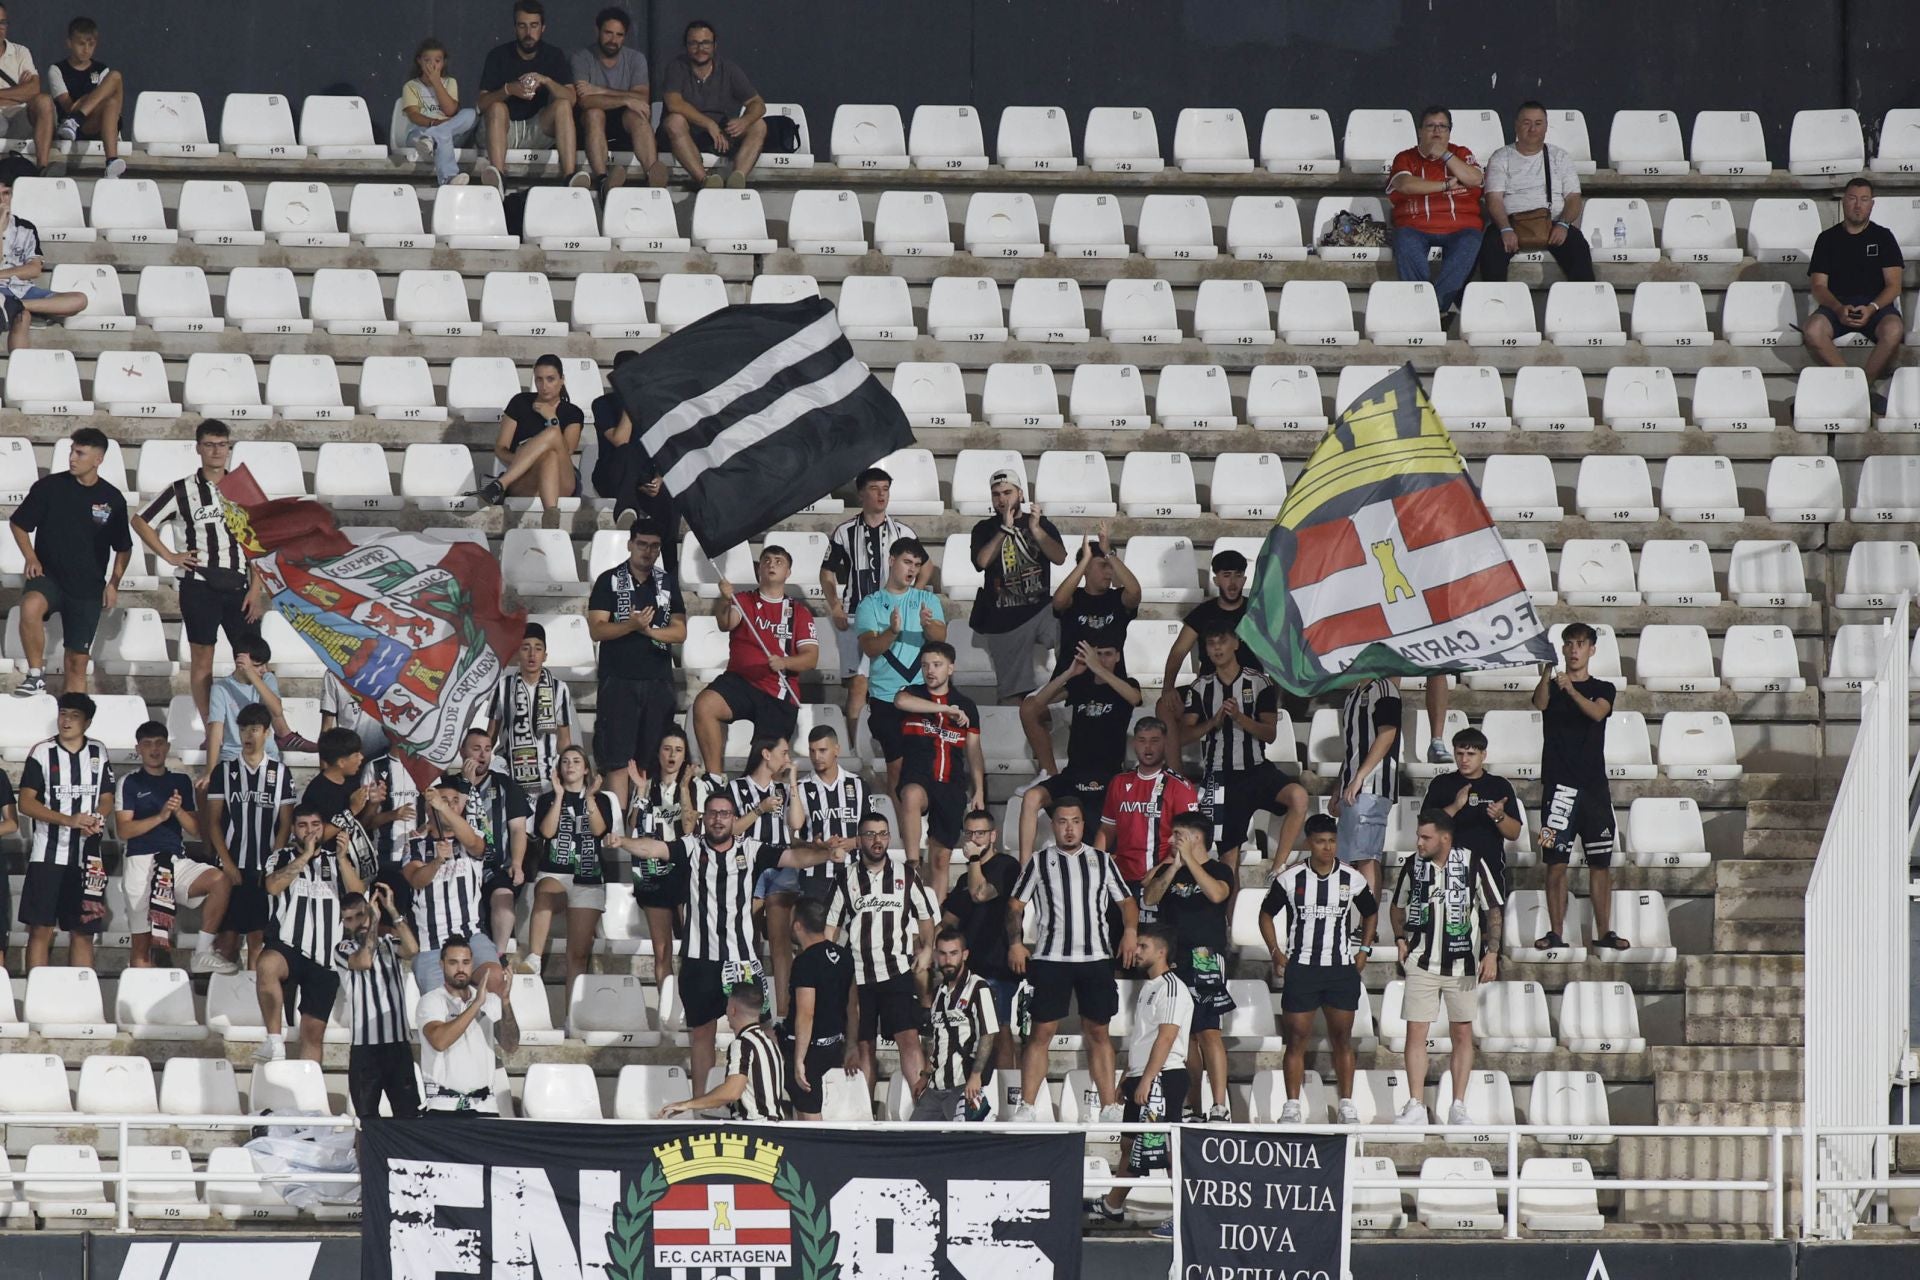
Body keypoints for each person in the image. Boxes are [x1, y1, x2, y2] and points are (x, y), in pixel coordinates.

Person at [626, 790, 842, 1097]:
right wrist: (621, 841)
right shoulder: (690, 846)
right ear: (704, 818)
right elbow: (652, 848)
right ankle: (701, 1103)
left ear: (733, 818)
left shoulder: (751, 849)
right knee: (702, 1035)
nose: (718, 819)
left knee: (762, 1031)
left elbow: (794, 857)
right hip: (699, 962)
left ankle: (770, 1096)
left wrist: (823, 853)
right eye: (712, 813)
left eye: (724, 814)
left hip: (741, 960)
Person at [1007, 797, 1135, 1122]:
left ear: (1083, 824)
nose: (1069, 828)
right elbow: (1015, 906)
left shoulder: (1102, 861)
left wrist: (1131, 931)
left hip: (1096, 958)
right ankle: (1027, 1107)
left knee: (1099, 1033)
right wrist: (1016, 943)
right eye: (1062, 821)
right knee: (1040, 1033)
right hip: (1051, 959)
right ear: (1054, 826)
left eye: (1075, 821)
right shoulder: (1039, 862)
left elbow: (1127, 902)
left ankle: (1108, 1107)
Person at [133, 419, 265, 730]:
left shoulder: (244, 488)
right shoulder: (182, 489)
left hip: (239, 586)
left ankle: (254, 725)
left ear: (229, 448)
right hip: (199, 586)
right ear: (198, 448)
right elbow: (140, 521)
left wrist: (256, 588)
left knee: (252, 659)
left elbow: (260, 542)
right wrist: (168, 555)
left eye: (221, 444)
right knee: (202, 657)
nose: (216, 450)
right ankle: (212, 728)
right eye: (209, 444)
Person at [1261, 813, 1378, 1125]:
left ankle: (1346, 1105)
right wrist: (1275, 951)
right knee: (1297, 1038)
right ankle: (1292, 1106)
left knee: (1343, 1038)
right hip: (1302, 968)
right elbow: (1265, 915)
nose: (1327, 847)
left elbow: (1370, 913)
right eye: (1321, 842)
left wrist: (1364, 949)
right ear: (1308, 843)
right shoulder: (1290, 879)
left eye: (1331, 841)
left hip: (1340, 969)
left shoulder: (1352, 878)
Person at [1392, 811, 1504, 1126]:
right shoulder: (1413, 865)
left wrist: (1492, 953)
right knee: (1415, 1032)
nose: (1419, 842)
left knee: (1462, 1033)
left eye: (1425, 837)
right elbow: (1396, 906)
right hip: (1420, 962)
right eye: (1418, 836)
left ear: (1445, 838)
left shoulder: (1472, 862)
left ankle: (1458, 1106)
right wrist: (1400, 937)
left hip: (1463, 965)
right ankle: (1415, 1105)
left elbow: (1492, 907)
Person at [1532, 622, 1630, 951]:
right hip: (1556, 790)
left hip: (1594, 790)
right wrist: (1547, 669)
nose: (1574, 650)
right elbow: (1539, 703)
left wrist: (1572, 691)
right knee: (1554, 862)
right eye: (1569, 644)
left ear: (1592, 649)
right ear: (1562, 649)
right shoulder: (1552, 685)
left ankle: (1604, 933)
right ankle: (1556, 932)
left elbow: (1597, 714)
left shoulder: (1604, 687)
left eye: (1580, 644)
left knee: (1601, 863)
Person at [9, 427, 129, 697]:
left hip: (87, 587)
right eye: (71, 451)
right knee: (30, 606)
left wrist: (114, 584)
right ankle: (36, 675)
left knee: (77, 663)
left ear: (97, 459)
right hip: (49, 576)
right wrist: (31, 556)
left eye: (80, 453)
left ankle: (73, 720)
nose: (72, 458)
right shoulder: (49, 487)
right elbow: (18, 523)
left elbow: (123, 547)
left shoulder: (112, 499)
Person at [1179, 627, 1308, 871]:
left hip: (1257, 770)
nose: (1217, 647)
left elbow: (1270, 734)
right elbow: (1184, 735)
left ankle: (1277, 869)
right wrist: (1212, 723)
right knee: (1229, 859)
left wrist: (1239, 717)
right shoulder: (1200, 687)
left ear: (1236, 644)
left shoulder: (1260, 683)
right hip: (1220, 775)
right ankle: (1230, 909)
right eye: (1211, 643)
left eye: (1222, 640)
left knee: (1298, 796)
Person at [828, 812, 939, 1092]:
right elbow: (830, 928)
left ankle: (922, 1110)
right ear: (860, 839)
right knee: (864, 1046)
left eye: (883, 834)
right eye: (870, 834)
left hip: (897, 971)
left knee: (909, 1039)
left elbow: (926, 917)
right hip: (859, 976)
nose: (877, 840)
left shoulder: (906, 874)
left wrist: (927, 949)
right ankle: (864, 1117)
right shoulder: (846, 878)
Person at [116, 720, 236, 973]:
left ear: (167, 746)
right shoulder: (129, 782)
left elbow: (194, 829)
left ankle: (202, 952)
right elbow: (124, 830)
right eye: (147, 744)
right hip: (140, 862)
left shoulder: (181, 781)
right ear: (138, 749)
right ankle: (139, 1007)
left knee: (219, 880)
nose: (154, 749)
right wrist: (160, 817)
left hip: (174, 861)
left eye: (159, 743)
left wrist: (177, 810)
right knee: (141, 944)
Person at [1092, 923, 1193, 1223]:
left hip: (1163, 1076)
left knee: (1165, 1146)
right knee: (1130, 1144)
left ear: (1162, 952)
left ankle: (1184, 1217)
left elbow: (1166, 1037)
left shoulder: (1172, 987)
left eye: (1143, 947)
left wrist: (1148, 1079)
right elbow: (1145, 1037)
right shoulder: (1149, 987)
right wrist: (1129, 1075)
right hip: (1144, 1075)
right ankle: (1113, 1204)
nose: (1135, 952)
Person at [692, 546, 818, 778]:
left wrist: (785, 662)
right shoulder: (742, 600)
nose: (771, 564)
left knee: (759, 772)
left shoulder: (798, 612)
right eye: (766, 560)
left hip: (779, 692)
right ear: (758, 568)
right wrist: (724, 599)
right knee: (704, 705)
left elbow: (811, 657)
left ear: (788, 572)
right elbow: (725, 623)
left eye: (779, 561)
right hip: (741, 682)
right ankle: (715, 780)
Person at [588, 517, 687, 812]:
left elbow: (680, 631)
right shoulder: (610, 580)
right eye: (642, 544)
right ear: (630, 544)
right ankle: (618, 826)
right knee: (618, 758)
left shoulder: (666, 582)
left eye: (654, 546)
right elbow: (597, 629)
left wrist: (649, 631)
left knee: (651, 757)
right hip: (618, 679)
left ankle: (644, 823)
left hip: (658, 680)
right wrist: (630, 625)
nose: (648, 551)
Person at [255, 806, 366, 1063]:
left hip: (327, 955)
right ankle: (274, 1041)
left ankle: (309, 1093)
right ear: (293, 829)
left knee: (313, 1033)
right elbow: (272, 886)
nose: (310, 830)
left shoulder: (338, 859)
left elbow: (358, 897)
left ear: (323, 827)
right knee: (267, 965)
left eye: (315, 824)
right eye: (303, 825)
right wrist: (305, 856)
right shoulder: (280, 857)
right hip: (288, 945)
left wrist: (341, 859)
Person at [822, 467, 917, 767]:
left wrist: (915, 597)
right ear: (861, 493)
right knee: (858, 685)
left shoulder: (904, 532)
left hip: (894, 618)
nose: (881, 494)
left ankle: (898, 750)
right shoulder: (844, 531)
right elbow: (827, 573)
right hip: (855, 615)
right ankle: (852, 750)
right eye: (875, 488)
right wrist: (835, 605)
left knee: (896, 682)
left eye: (886, 488)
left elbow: (923, 566)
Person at [1143, 812, 1233, 1122]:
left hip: (1205, 957)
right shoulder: (1170, 869)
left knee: (1209, 1031)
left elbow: (1217, 893)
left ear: (1196, 837)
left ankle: (1220, 1106)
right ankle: (1194, 1106)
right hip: (1172, 959)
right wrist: (1173, 867)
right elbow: (1150, 897)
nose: (1171, 839)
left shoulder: (1219, 869)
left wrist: (1190, 862)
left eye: (1178, 834)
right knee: (1184, 1036)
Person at [1017, 641, 1140, 864]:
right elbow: (1035, 705)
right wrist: (1070, 672)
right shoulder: (1080, 685)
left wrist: (1098, 668)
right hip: (1075, 773)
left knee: (1096, 843)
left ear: (1118, 656)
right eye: (1097, 654)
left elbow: (1134, 698)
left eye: (1107, 653)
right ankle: (1025, 868)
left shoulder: (1127, 684)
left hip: (1107, 777)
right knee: (1031, 797)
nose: (1101, 658)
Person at [1024, 528, 1140, 763]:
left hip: (1107, 679)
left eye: (1109, 566)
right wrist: (1084, 560)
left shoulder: (1118, 599)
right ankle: (1049, 772)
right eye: (1102, 566)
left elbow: (1135, 591)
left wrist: (1109, 554)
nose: (1108, 572)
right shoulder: (1073, 597)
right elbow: (1058, 602)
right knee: (1029, 708)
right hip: (1071, 680)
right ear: (1086, 568)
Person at [17, 692, 110, 971]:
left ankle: (83, 1000)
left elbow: (106, 796)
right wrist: (68, 820)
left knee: (83, 932)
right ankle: (37, 994)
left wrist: (97, 817)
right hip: (48, 855)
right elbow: (26, 802)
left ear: (88, 722)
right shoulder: (42, 752)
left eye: (74, 716)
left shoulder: (98, 751)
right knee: (41, 930)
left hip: (87, 859)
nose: (66, 720)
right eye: (63, 713)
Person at [614, 726, 711, 982]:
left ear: (685, 755)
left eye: (678, 750)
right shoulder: (646, 786)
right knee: (662, 950)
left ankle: (692, 1009)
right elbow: (633, 826)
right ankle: (666, 1013)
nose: (672, 755)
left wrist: (684, 788)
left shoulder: (696, 786)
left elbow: (691, 827)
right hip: (652, 872)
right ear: (658, 753)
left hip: (685, 871)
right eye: (667, 749)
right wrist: (641, 793)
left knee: (693, 947)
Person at [205, 703, 296, 970]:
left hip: (263, 870)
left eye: (254, 729)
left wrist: (273, 865)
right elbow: (213, 823)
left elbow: (286, 823)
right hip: (232, 864)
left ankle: (253, 999)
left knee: (259, 938)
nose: (248, 735)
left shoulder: (280, 773)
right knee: (227, 939)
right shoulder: (224, 772)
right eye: (243, 729)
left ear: (266, 732)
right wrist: (228, 863)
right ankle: (223, 997)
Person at [855, 537, 944, 801]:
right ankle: (903, 830)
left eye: (917, 564)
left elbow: (941, 638)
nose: (912, 570)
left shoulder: (926, 599)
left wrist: (927, 625)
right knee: (897, 768)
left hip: (922, 696)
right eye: (907, 562)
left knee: (927, 767)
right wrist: (893, 632)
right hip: (885, 699)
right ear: (892, 561)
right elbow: (871, 648)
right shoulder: (869, 603)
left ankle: (919, 821)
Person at [1806, 176, 1907, 409]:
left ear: (1872, 204)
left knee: (1894, 330)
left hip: (1876, 307)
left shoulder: (1883, 237)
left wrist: (1872, 308)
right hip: (1837, 305)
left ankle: (1862, 385)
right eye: (1852, 198)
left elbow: (1894, 285)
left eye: (1864, 199)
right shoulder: (1827, 239)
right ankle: (1852, 386)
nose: (1858, 205)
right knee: (1812, 330)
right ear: (1844, 202)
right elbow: (1819, 286)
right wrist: (1838, 308)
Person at [894, 642, 985, 898]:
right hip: (918, 776)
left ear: (951, 668)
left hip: (951, 784)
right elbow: (900, 700)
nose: (930, 671)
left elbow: (974, 752)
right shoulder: (913, 693)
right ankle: (912, 864)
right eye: (924, 666)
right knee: (911, 794)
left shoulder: (966, 705)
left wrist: (979, 790)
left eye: (937, 665)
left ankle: (936, 919)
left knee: (941, 860)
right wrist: (945, 709)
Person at [940, 809, 1022, 1090]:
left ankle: (1008, 1093)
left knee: (999, 1030)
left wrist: (973, 858)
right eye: (970, 833)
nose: (974, 839)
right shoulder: (964, 880)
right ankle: (980, 1093)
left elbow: (981, 893)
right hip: (969, 971)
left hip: (997, 964)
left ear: (993, 835)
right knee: (974, 1034)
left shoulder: (1007, 866)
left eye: (981, 833)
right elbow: (948, 922)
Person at [968, 470, 1066, 706]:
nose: (1002, 499)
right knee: (1012, 694)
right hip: (1003, 617)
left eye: (1007, 492)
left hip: (1041, 609)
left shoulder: (1040, 523)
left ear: (1021, 494)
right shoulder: (984, 528)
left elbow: (1060, 557)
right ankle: (1010, 738)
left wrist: (1036, 530)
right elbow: (981, 562)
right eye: (996, 494)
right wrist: (1005, 529)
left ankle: (1072, 686)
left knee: (1071, 623)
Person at [524, 746, 615, 987]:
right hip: (555, 872)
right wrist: (559, 796)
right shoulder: (547, 798)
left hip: (589, 877)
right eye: (565, 761)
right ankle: (534, 957)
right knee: (543, 894)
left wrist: (590, 799)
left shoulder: (602, 799)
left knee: (577, 956)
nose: (570, 765)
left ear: (586, 769)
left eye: (576, 761)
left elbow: (598, 831)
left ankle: (570, 1019)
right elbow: (546, 832)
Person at [1478, 100, 1594, 285]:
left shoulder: (1560, 156)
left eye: (1538, 123)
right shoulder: (1501, 156)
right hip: (1512, 223)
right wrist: (1505, 228)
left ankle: (1582, 308)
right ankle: (1496, 307)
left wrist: (1563, 225)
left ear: (1546, 127)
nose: (1532, 129)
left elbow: (1573, 198)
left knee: (1578, 246)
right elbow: (1494, 199)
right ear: (1516, 125)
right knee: (1491, 247)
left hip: (1552, 224)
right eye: (1526, 123)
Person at [474, 0, 583, 191]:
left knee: (563, 105)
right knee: (498, 107)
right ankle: (499, 179)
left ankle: (569, 177)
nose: (528, 33)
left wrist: (546, 80)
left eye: (534, 26)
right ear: (515, 27)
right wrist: (508, 90)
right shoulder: (498, 55)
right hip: (500, 129)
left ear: (543, 28)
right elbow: (482, 104)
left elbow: (572, 98)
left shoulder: (553, 55)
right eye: (522, 26)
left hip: (534, 129)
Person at [1387, 106, 1485, 318]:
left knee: (1472, 240)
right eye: (1431, 126)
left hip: (1461, 228)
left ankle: (1431, 312)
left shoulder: (1460, 153)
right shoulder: (1405, 157)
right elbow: (1405, 184)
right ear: (1420, 131)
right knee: (1404, 239)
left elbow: (1475, 179)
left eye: (1442, 127)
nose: (1437, 132)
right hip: (1416, 226)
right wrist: (1445, 186)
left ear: (1450, 131)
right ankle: (1424, 306)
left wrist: (1445, 155)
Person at [444, 726, 533, 960]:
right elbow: (448, 820)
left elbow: (517, 829)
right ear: (462, 752)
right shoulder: (448, 785)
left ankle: (500, 955)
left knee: (503, 896)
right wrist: (466, 784)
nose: (483, 755)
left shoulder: (506, 785)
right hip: (458, 865)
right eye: (476, 749)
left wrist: (517, 862)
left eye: (487, 749)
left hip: (496, 865)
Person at [336, 886, 421, 1121]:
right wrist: (373, 922)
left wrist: (392, 910)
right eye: (349, 919)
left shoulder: (388, 942)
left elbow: (413, 949)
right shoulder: (343, 948)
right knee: (367, 1121)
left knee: (409, 1118)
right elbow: (363, 961)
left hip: (398, 1047)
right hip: (366, 1050)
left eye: (361, 915)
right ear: (344, 923)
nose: (357, 922)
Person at [401, 782, 492, 992]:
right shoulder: (415, 845)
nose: (450, 805)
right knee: (438, 997)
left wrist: (442, 808)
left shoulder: (473, 836)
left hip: (471, 935)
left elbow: (474, 844)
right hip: (431, 941)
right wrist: (436, 862)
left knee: (494, 978)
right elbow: (416, 879)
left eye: (454, 801)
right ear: (428, 807)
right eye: (443, 800)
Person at [1155, 548, 1260, 727]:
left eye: (1238, 575)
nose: (1233, 582)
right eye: (1226, 575)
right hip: (1209, 688)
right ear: (1216, 580)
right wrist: (1168, 688)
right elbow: (1178, 652)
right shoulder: (1203, 613)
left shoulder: (1257, 612)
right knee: (1165, 706)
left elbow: (1278, 654)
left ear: (1244, 579)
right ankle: (1177, 755)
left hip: (1248, 689)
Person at [658, 18, 766, 190]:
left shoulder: (728, 69)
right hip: (686, 134)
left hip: (718, 135)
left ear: (715, 46)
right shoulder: (676, 67)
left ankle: (737, 180)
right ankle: (705, 182)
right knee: (674, 121)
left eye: (705, 43)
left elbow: (758, 104)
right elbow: (674, 103)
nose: (700, 49)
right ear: (686, 46)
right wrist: (708, 124)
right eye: (694, 43)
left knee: (758, 125)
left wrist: (744, 121)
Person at [417, 936, 519, 1114]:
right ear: (442, 965)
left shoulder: (491, 1001)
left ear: (473, 963)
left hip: (485, 1105)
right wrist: (476, 1005)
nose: (460, 969)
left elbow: (510, 1045)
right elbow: (439, 1041)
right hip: (444, 1106)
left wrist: (505, 1002)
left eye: (466, 962)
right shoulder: (431, 1001)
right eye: (453, 963)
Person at [1096, 718, 1200, 892]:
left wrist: (1161, 870)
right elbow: (1107, 829)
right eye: (1142, 740)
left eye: (1154, 741)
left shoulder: (1180, 787)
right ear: (1134, 744)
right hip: (1119, 879)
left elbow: (1189, 841)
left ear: (1165, 743)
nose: (1148, 747)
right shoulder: (1119, 782)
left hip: (1160, 879)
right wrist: (1095, 864)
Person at [572, 6, 666, 193]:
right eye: (608, 33)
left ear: (625, 36)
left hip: (624, 125)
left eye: (619, 35)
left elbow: (642, 97)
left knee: (637, 114)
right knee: (594, 113)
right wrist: (625, 99)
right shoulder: (581, 57)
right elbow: (585, 101)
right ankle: (602, 179)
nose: (613, 40)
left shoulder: (636, 59)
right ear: (597, 31)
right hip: (589, 127)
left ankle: (653, 176)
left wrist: (599, 90)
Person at [658, 985, 788, 1120]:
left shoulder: (744, 1044)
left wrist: (687, 1105)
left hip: (754, 1129)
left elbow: (732, 1092)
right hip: (774, 1127)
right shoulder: (769, 1042)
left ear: (732, 1010)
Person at [478, 354, 585, 513]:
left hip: (562, 479)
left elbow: (567, 451)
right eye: (539, 379)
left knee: (553, 438)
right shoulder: (520, 402)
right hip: (525, 478)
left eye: (550, 379)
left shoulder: (573, 413)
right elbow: (501, 448)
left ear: (561, 380)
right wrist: (526, 460)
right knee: (548, 456)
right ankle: (551, 516)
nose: (544, 385)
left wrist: (552, 418)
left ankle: (500, 485)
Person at [1423, 727, 1523, 894]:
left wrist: (1499, 817)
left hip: (1489, 866)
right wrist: (1455, 806)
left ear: (1483, 755)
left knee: (1493, 919)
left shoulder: (1499, 786)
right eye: (1459, 753)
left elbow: (1514, 833)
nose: (1464, 759)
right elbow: (1425, 828)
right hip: (1448, 868)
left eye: (1471, 754)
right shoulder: (1441, 783)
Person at [915, 925, 999, 1121]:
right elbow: (936, 1040)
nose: (948, 960)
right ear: (936, 955)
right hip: (935, 1088)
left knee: (967, 1144)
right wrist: (925, 1076)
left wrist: (976, 1076)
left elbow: (988, 1035)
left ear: (965, 954)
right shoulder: (937, 993)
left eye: (953, 953)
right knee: (912, 1139)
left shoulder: (979, 987)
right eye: (943, 954)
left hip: (964, 1085)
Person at [0, 155, 82, 352]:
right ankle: (20, 374)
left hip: (23, 290)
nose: (2, 200)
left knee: (80, 299)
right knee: (23, 318)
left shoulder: (26, 227)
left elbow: (34, 269)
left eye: (6, 193)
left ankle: (18, 305)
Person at [1330, 675, 1402, 897]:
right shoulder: (1353, 695)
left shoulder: (1385, 688)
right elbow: (1351, 749)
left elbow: (1388, 735)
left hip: (1374, 785)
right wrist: (1338, 788)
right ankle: (1354, 924)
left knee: (1366, 857)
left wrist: (1360, 776)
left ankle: (1367, 927)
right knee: (1347, 859)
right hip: (1352, 786)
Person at [785, 897, 855, 1120]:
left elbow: (806, 1013)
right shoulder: (845, 956)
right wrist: (851, 1045)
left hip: (811, 1051)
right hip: (835, 1047)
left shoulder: (805, 962)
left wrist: (798, 1060)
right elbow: (853, 1007)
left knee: (810, 1117)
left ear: (797, 925)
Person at [487, 622, 574, 801]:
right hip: (509, 768)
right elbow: (491, 734)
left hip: (547, 770)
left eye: (538, 648)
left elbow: (564, 739)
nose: (532, 654)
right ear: (518, 653)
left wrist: (565, 772)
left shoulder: (559, 688)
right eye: (525, 648)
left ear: (545, 655)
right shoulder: (503, 685)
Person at [789, 724, 868, 906]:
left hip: (853, 872)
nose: (817, 757)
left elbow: (874, 832)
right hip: (813, 875)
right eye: (812, 751)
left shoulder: (858, 785)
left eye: (823, 750)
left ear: (836, 750)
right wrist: (814, 845)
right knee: (813, 933)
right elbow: (790, 839)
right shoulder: (799, 789)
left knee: (855, 933)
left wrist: (853, 842)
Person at [46, 17, 124, 179]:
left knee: (113, 87)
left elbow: (111, 107)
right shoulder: (57, 70)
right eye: (81, 44)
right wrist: (91, 98)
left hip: (96, 124)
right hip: (71, 130)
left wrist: (87, 100)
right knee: (108, 93)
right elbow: (69, 107)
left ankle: (111, 163)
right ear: (69, 43)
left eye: (91, 44)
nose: (86, 49)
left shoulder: (101, 70)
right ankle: (74, 121)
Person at [401, 37, 477, 186]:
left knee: (471, 114)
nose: (432, 65)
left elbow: (450, 111)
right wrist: (434, 123)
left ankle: (433, 137)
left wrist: (436, 82)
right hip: (420, 133)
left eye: (437, 60)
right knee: (441, 135)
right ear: (419, 61)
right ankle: (448, 178)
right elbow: (414, 115)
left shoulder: (450, 82)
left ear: (443, 63)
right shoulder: (411, 86)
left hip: (448, 132)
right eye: (427, 60)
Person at [0, 8, 54, 174]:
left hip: (20, 118)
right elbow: (26, 92)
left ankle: (42, 169)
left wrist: (18, 94)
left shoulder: (20, 52)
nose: (0, 27)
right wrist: (19, 92)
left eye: (2, 22)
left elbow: (34, 89)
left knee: (44, 101)